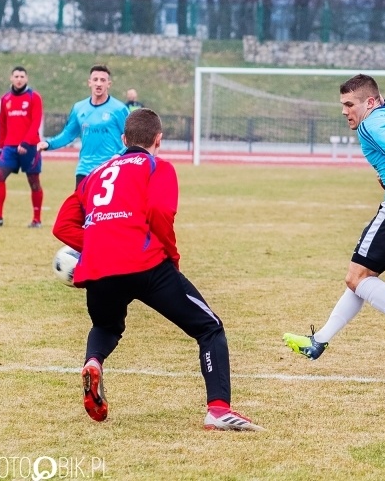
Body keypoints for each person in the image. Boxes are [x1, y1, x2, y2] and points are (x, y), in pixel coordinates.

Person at [52, 108, 263, 431]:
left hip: (99, 269)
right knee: (209, 328)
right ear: (158, 140)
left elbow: (62, 225)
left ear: (123, 140)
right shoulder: (156, 166)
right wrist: (171, 260)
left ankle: (93, 362)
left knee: (107, 327)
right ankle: (218, 410)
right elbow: (160, 212)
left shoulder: (96, 174)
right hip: (146, 264)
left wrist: (99, 243)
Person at [282, 74, 385, 371]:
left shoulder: (370, 124)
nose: (345, 111)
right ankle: (318, 341)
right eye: (343, 105)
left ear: (369, 102)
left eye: (349, 104)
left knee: (356, 278)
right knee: (363, 276)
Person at [38, 65, 129, 187]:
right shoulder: (79, 108)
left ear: (109, 84)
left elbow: (132, 137)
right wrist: (49, 144)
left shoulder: (119, 109)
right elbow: (68, 134)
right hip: (84, 168)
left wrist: (120, 155)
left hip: (110, 169)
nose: (98, 83)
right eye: (95, 79)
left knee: (106, 206)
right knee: (80, 205)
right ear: (89, 83)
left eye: (103, 80)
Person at [0, 66, 44, 228]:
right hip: (9, 147)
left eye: (22, 76)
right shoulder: (5, 99)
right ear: (11, 78)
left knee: (34, 182)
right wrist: (0, 146)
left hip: (30, 146)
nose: (19, 79)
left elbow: (35, 122)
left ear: (26, 79)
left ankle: (37, 219)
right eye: (16, 76)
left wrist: (25, 142)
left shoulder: (34, 97)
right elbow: (2, 124)